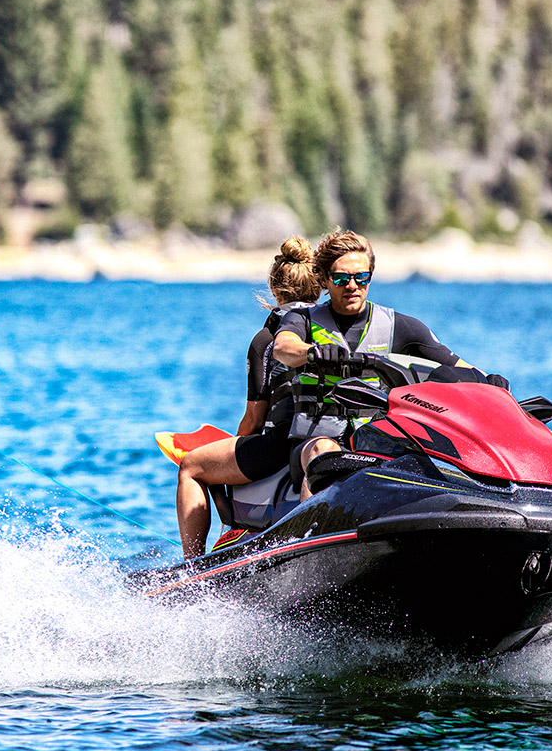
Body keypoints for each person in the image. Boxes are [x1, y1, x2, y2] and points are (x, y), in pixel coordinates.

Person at [273, 229, 507, 498]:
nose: (352, 286)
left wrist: (490, 384)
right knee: (325, 456)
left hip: (376, 440)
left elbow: (456, 366)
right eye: (341, 278)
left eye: (361, 277)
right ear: (325, 280)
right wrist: (313, 352)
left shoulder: (400, 326)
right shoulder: (302, 320)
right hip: (315, 440)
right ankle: (313, 532)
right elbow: (284, 348)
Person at [175, 237, 322, 559]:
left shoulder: (267, 339)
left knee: (190, 467)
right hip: (330, 436)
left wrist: (237, 446)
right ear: (319, 286)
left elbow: (254, 418)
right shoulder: (333, 329)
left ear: (275, 288)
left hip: (284, 443)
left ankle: (193, 568)